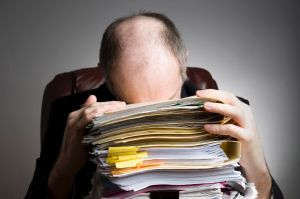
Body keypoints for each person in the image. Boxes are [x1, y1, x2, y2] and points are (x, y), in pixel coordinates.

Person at [25, 12, 283, 199]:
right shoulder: (70, 113)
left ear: (183, 63)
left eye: (169, 100)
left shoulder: (229, 113)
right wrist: (66, 166)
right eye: (134, 107)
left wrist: (257, 166)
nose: (153, 119)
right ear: (104, 73)